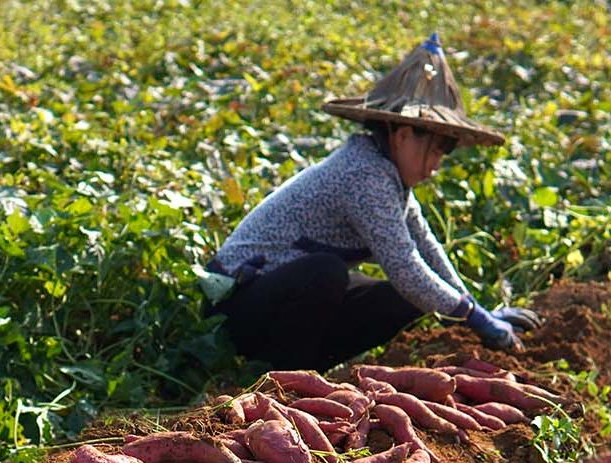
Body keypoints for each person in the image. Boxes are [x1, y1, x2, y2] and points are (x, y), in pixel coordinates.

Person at [205, 33, 540, 369]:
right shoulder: (364, 174)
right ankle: (286, 372)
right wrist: (474, 317)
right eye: (437, 148)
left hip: (279, 300)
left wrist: (473, 309)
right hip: (235, 308)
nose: (438, 163)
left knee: (410, 297)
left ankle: (309, 368)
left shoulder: (387, 172)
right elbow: (404, 264)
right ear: (405, 135)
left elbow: (425, 247)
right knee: (327, 272)